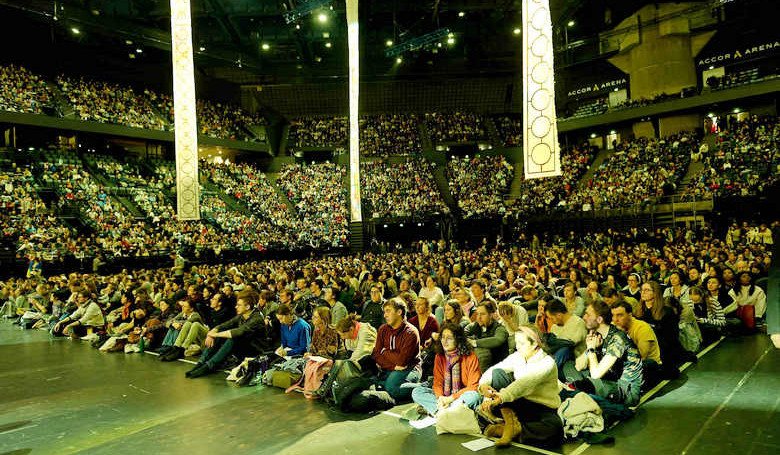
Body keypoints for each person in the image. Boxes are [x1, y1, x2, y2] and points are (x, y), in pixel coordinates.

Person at [478, 325, 563, 447]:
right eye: (516, 342)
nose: (517, 346)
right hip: (518, 404)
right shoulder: (517, 356)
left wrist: (501, 397)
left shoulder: (547, 363)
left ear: (534, 344)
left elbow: (524, 383)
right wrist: (483, 384)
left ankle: (508, 429)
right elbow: (496, 368)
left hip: (541, 408)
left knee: (556, 430)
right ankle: (510, 424)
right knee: (497, 374)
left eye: (521, 343)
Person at [563, 300, 643, 406]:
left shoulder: (618, 338)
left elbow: (596, 375)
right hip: (607, 378)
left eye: (588, 314)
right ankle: (577, 389)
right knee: (568, 365)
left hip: (625, 390)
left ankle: (575, 389)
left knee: (590, 382)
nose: (584, 317)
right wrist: (589, 348)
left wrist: (592, 349)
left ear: (599, 319)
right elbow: (578, 366)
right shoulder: (597, 334)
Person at [186, 294, 270, 378]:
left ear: (247, 307)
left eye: (239, 305)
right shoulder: (242, 316)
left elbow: (239, 332)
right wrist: (213, 332)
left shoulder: (256, 318)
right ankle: (201, 362)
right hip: (246, 346)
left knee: (233, 337)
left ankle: (209, 366)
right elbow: (226, 324)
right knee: (221, 332)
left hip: (256, 351)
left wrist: (215, 334)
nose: (236, 307)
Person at [411, 323, 481, 417]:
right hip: (445, 396)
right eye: (442, 337)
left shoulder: (470, 356)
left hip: (461, 396)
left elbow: (473, 386)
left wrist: (451, 398)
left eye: (449, 338)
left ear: (458, 339)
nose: (444, 341)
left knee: (473, 397)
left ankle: (439, 411)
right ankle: (445, 411)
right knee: (417, 392)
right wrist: (441, 398)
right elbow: (438, 383)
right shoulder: (439, 356)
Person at [372, 298, 421, 401]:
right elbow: (376, 354)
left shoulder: (411, 332)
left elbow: (401, 361)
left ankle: (426, 387)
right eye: (384, 312)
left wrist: (384, 351)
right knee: (371, 381)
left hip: (410, 369)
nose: (385, 315)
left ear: (399, 312)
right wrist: (393, 366)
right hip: (393, 368)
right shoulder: (382, 329)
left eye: (388, 311)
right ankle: (387, 382)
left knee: (391, 389)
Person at [464, 301, 509, 373]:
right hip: (476, 367)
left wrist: (474, 342)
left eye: (482, 314)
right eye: (477, 314)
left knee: (483, 353)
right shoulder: (473, 326)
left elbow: (498, 340)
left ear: (491, 315)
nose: (478, 317)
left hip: (497, 370)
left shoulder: (500, 328)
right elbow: (462, 336)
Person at [544, 299, 587, 371]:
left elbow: (571, 343)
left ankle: (548, 373)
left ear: (559, 315)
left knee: (565, 349)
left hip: (575, 362)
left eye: (552, 318)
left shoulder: (578, 323)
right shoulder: (554, 327)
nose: (552, 322)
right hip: (558, 362)